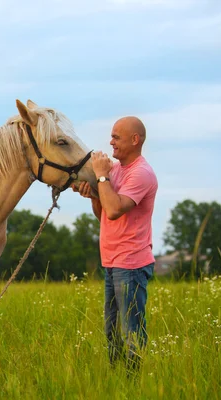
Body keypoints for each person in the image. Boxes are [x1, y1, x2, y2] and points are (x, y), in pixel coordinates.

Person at [72, 116, 158, 372]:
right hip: (111, 261)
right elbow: (103, 214)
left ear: (135, 139)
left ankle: (133, 381)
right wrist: (93, 195)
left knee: (131, 329)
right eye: (111, 136)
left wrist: (100, 176)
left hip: (131, 264)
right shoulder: (117, 170)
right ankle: (116, 378)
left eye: (116, 137)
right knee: (112, 332)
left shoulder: (141, 173)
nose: (111, 142)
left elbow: (114, 210)